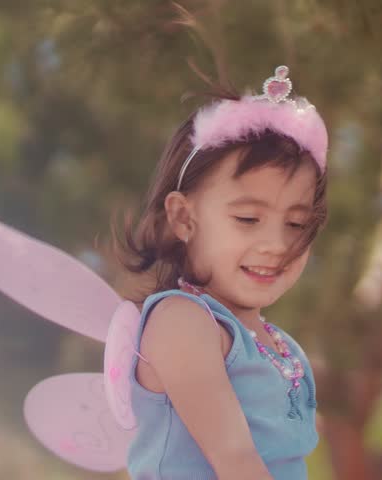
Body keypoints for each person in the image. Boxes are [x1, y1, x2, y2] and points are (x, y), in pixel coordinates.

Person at [113, 65, 329, 480]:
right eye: (248, 218)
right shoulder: (182, 321)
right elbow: (236, 461)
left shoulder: (286, 349)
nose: (276, 245)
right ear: (184, 218)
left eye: (296, 224)